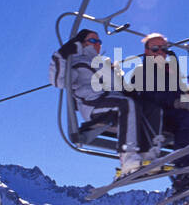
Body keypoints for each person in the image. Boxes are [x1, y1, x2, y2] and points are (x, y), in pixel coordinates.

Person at [64, 29, 153, 173]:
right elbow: (60, 80)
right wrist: (63, 54)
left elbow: (123, 88)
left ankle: (146, 153)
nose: (97, 44)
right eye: (93, 40)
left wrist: (117, 74)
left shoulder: (104, 63)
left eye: (99, 41)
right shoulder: (76, 62)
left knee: (145, 105)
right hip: (93, 105)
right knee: (127, 104)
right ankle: (128, 158)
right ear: (82, 44)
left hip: (111, 101)